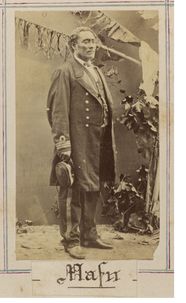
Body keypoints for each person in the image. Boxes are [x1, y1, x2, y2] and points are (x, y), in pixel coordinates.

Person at [47, 26, 116, 259]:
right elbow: (58, 111)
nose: (90, 46)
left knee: (92, 187)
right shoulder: (65, 71)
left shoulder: (95, 70)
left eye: (93, 42)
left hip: (97, 140)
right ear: (73, 45)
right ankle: (71, 239)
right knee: (72, 189)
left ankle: (89, 234)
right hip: (77, 140)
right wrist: (63, 143)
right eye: (85, 42)